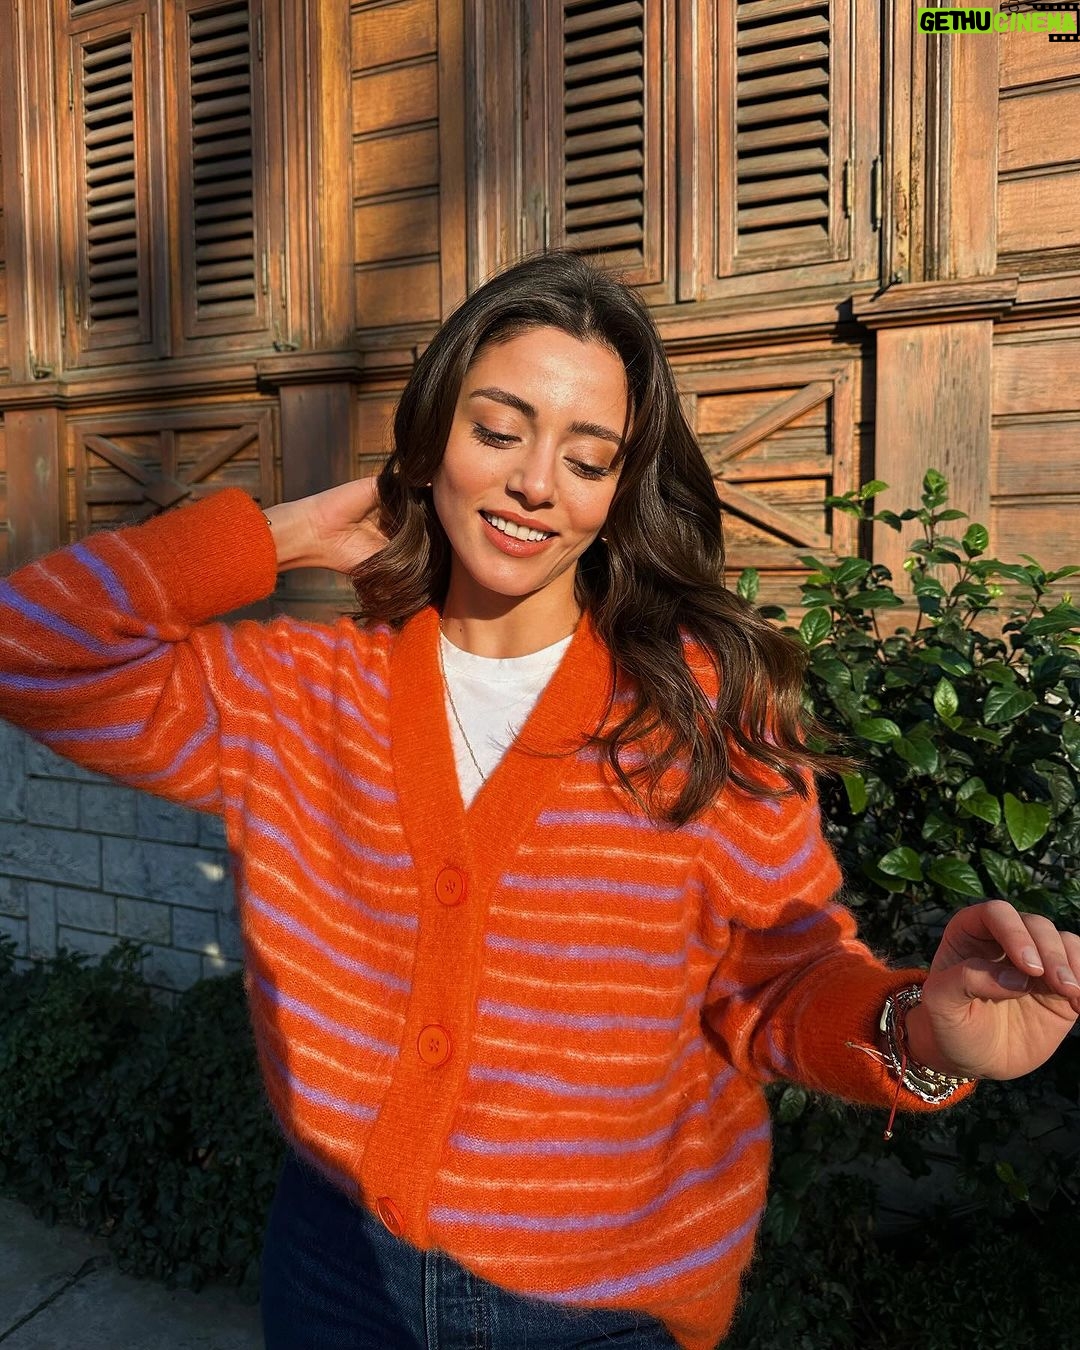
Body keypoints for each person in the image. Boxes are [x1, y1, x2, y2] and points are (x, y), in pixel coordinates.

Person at [0, 250, 1077, 1350]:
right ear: (431, 444)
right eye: (497, 431)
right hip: (334, 1271)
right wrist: (285, 534)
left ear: (619, 491)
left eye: (588, 456)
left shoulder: (699, 710)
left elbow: (779, 978)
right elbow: (28, 642)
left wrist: (925, 1034)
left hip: (603, 1301)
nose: (535, 483)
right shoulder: (297, 693)